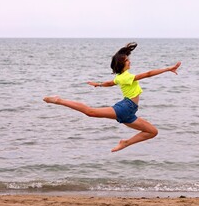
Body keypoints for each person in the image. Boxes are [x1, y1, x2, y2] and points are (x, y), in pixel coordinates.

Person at [43, 42, 181, 152]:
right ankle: (59, 100)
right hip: (125, 108)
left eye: (128, 59)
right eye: (127, 60)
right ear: (122, 64)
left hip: (130, 112)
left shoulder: (120, 77)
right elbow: (148, 74)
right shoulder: (126, 76)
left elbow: (111, 83)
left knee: (152, 132)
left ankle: (125, 143)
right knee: (91, 112)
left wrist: (99, 84)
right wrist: (168, 69)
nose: (129, 62)